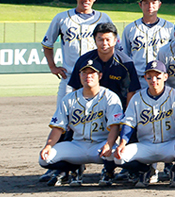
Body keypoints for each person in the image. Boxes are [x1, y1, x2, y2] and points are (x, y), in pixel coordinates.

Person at [38, 59, 123, 187]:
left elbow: (115, 126)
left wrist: (109, 144)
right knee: (45, 159)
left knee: (118, 156)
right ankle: (74, 168)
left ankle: (108, 172)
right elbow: (57, 127)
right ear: (79, 76)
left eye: (92, 73)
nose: (88, 76)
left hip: (100, 145)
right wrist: (48, 146)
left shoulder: (110, 97)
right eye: (84, 73)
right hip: (77, 145)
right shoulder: (69, 99)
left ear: (100, 76)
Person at [113, 61, 175, 187]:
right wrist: (122, 143)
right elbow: (128, 124)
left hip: (169, 144)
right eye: (149, 77)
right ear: (145, 78)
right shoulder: (137, 98)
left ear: (165, 77)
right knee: (119, 157)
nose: (153, 80)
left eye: (158, 76)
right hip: (145, 146)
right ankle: (144, 170)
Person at [41, 0, 113, 108]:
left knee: (97, 115)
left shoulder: (104, 18)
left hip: (96, 77)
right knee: (64, 117)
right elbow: (47, 44)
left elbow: (114, 47)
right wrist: (52, 67)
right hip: (69, 76)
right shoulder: (62, 18)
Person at [68, 22, 140, 107]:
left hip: (117, 110)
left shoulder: (126, 63)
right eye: (100, 39)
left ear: (115, 40)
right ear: (95, 40)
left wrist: (126, 116)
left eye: (108, 39)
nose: (104, 43)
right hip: (90, 111)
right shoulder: (84, 61)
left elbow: (131, 92)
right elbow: (75, 88)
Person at [121, 0, 174, 89]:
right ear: (140, 5)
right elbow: (125, 56)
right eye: (146, 2)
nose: (150, 6)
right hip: (137, 78)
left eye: (153, 2)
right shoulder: (130, 29)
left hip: (162, 79)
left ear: (159, 4)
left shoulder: (170, 28)